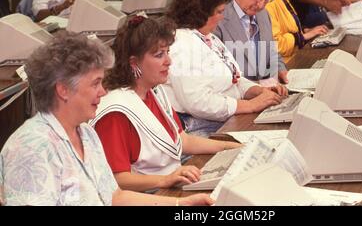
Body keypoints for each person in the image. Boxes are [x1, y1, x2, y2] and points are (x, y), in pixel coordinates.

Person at [0, 32, 212, 206]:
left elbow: (114, 196)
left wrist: (181, 205)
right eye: (95, 84)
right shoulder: (31, 148)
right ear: (63, 90)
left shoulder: (86, 133)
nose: (103, 92)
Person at [90, 15, 242, 192]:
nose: (168, 61)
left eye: (167, 52)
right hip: (149, 196)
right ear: (134, 63)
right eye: (159, 55)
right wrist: (165, 180)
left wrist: (230, 148)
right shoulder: (115, 112)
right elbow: (117, 179)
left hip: (170, 184)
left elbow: (182, 140)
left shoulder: (154, 91)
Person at [164, 0, 285, 137]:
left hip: (220, 120)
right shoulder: (180, 43)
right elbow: (198, 102)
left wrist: (258, 91)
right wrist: (248, 106)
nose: (222, 17)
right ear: (202, 12)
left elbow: (235, 78)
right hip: (199, 127)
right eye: (220, 11)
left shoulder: (208, 38)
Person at [214, 0, 289, 84]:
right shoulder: (216, 16)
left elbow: (271, 51)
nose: (260, 4)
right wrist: (259, 88)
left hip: (267, 92)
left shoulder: (264, 14)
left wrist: (281, 70)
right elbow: (219, 74)